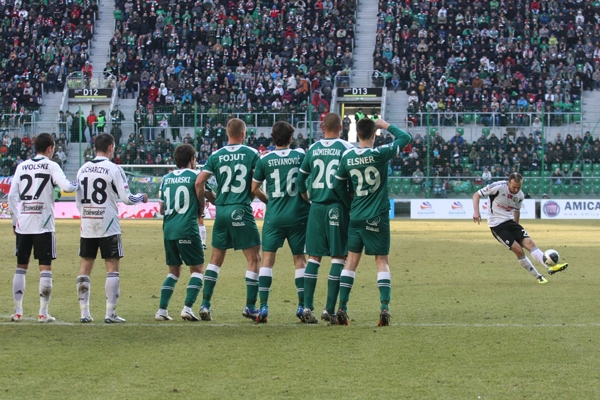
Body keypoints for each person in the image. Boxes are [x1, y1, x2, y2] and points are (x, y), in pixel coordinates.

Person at [333, 118, 412, 326]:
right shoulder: (380, 153)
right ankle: (384, 307)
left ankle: (342, 307)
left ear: (357, 134)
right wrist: (385, 125)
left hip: (356, 215)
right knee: (381, 261)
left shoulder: (347, 156)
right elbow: (406, 138)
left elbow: (337, 185)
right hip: (377, 216)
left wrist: (350, 202)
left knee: (350, 261)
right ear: (374, 134)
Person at [75, 133, 148, 323]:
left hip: (88, 223)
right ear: (110, 147)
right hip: (108, 224)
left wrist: (86, 214)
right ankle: (110, 314)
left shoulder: (83, 169)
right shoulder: (113, 168)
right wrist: (142, 197)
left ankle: (84, 313)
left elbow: (78, 200)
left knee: (85, 266)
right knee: (112, 267)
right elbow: (126, 198)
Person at [194, 118, 262, 321]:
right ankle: (250, 306)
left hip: (222, 211)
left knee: (215, 259)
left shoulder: (216, 155)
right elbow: (254, 186)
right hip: (240, 209)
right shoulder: (251, 154)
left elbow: (199, 182)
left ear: (227, 133)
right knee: (254, 258)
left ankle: (205, 304)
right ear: (243, 134)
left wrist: (205, 201)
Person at [7, 133, 78, 322]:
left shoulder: (22, 166)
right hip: (44, 225)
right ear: (49, 148)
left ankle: (18, 311)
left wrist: (16, 220)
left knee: (21, 267)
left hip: (24, 224)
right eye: (53, 148)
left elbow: (11, 196)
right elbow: (66, 187)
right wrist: (80, 183)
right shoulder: (51, 165)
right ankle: (43, 313)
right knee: (45, 268)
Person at [296, 113, 354, 324]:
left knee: (314, 257)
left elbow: (300, 181)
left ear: (322, 127)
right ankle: (329, 309)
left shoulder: (312, 148)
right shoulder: (346, 148)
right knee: (338, 258)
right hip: (337, 206)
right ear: (341, 127)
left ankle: (307, 307)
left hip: (317, 207)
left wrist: (308, 199)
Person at [251, 121, 311, 323]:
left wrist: (269, 201)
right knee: (300, 260)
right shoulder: (301, 156)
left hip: (274, 216)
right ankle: (302, 306)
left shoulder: (264, 160)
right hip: (298, 216)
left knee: (267, 260)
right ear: (291, 138)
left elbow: (254, 188)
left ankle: (264, 307)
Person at [155, 144, 215, 322]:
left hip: (168, 229)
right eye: (195, 159)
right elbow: (213, 197)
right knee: (197, 270)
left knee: (173, 271)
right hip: (187, 228)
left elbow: (162, 208)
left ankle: (162, 310)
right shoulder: (197, 176)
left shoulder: (166, 178)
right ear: (191, 160)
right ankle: (187, 308)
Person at [472, 173, 568, 284]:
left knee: (530, 243)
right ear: (508, 183)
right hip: (497, 225)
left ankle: (550, 267)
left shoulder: (520, 195)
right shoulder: (497, 186)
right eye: (514, 187)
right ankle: (538, 276)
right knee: (518, 250)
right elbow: (476, 195)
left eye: (519, 187)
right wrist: (476, 212)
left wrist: (516, 228)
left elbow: (516, 211)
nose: (516, 189)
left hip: (510, 223)